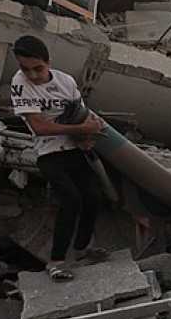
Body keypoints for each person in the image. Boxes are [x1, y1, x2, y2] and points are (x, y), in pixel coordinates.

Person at [11, 35, 108, 281]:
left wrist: (87, 135)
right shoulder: (20, 83)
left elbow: (81, 113)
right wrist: (81, 129)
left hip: (74, 150)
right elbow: (39, 127)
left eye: (38, 69)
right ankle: (55, 261)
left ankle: (82, 248)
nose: (32, 75)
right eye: (25, 69)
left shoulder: (66, 81)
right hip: (49, 153)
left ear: (49, 62)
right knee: (71, 200)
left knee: (94, 197)